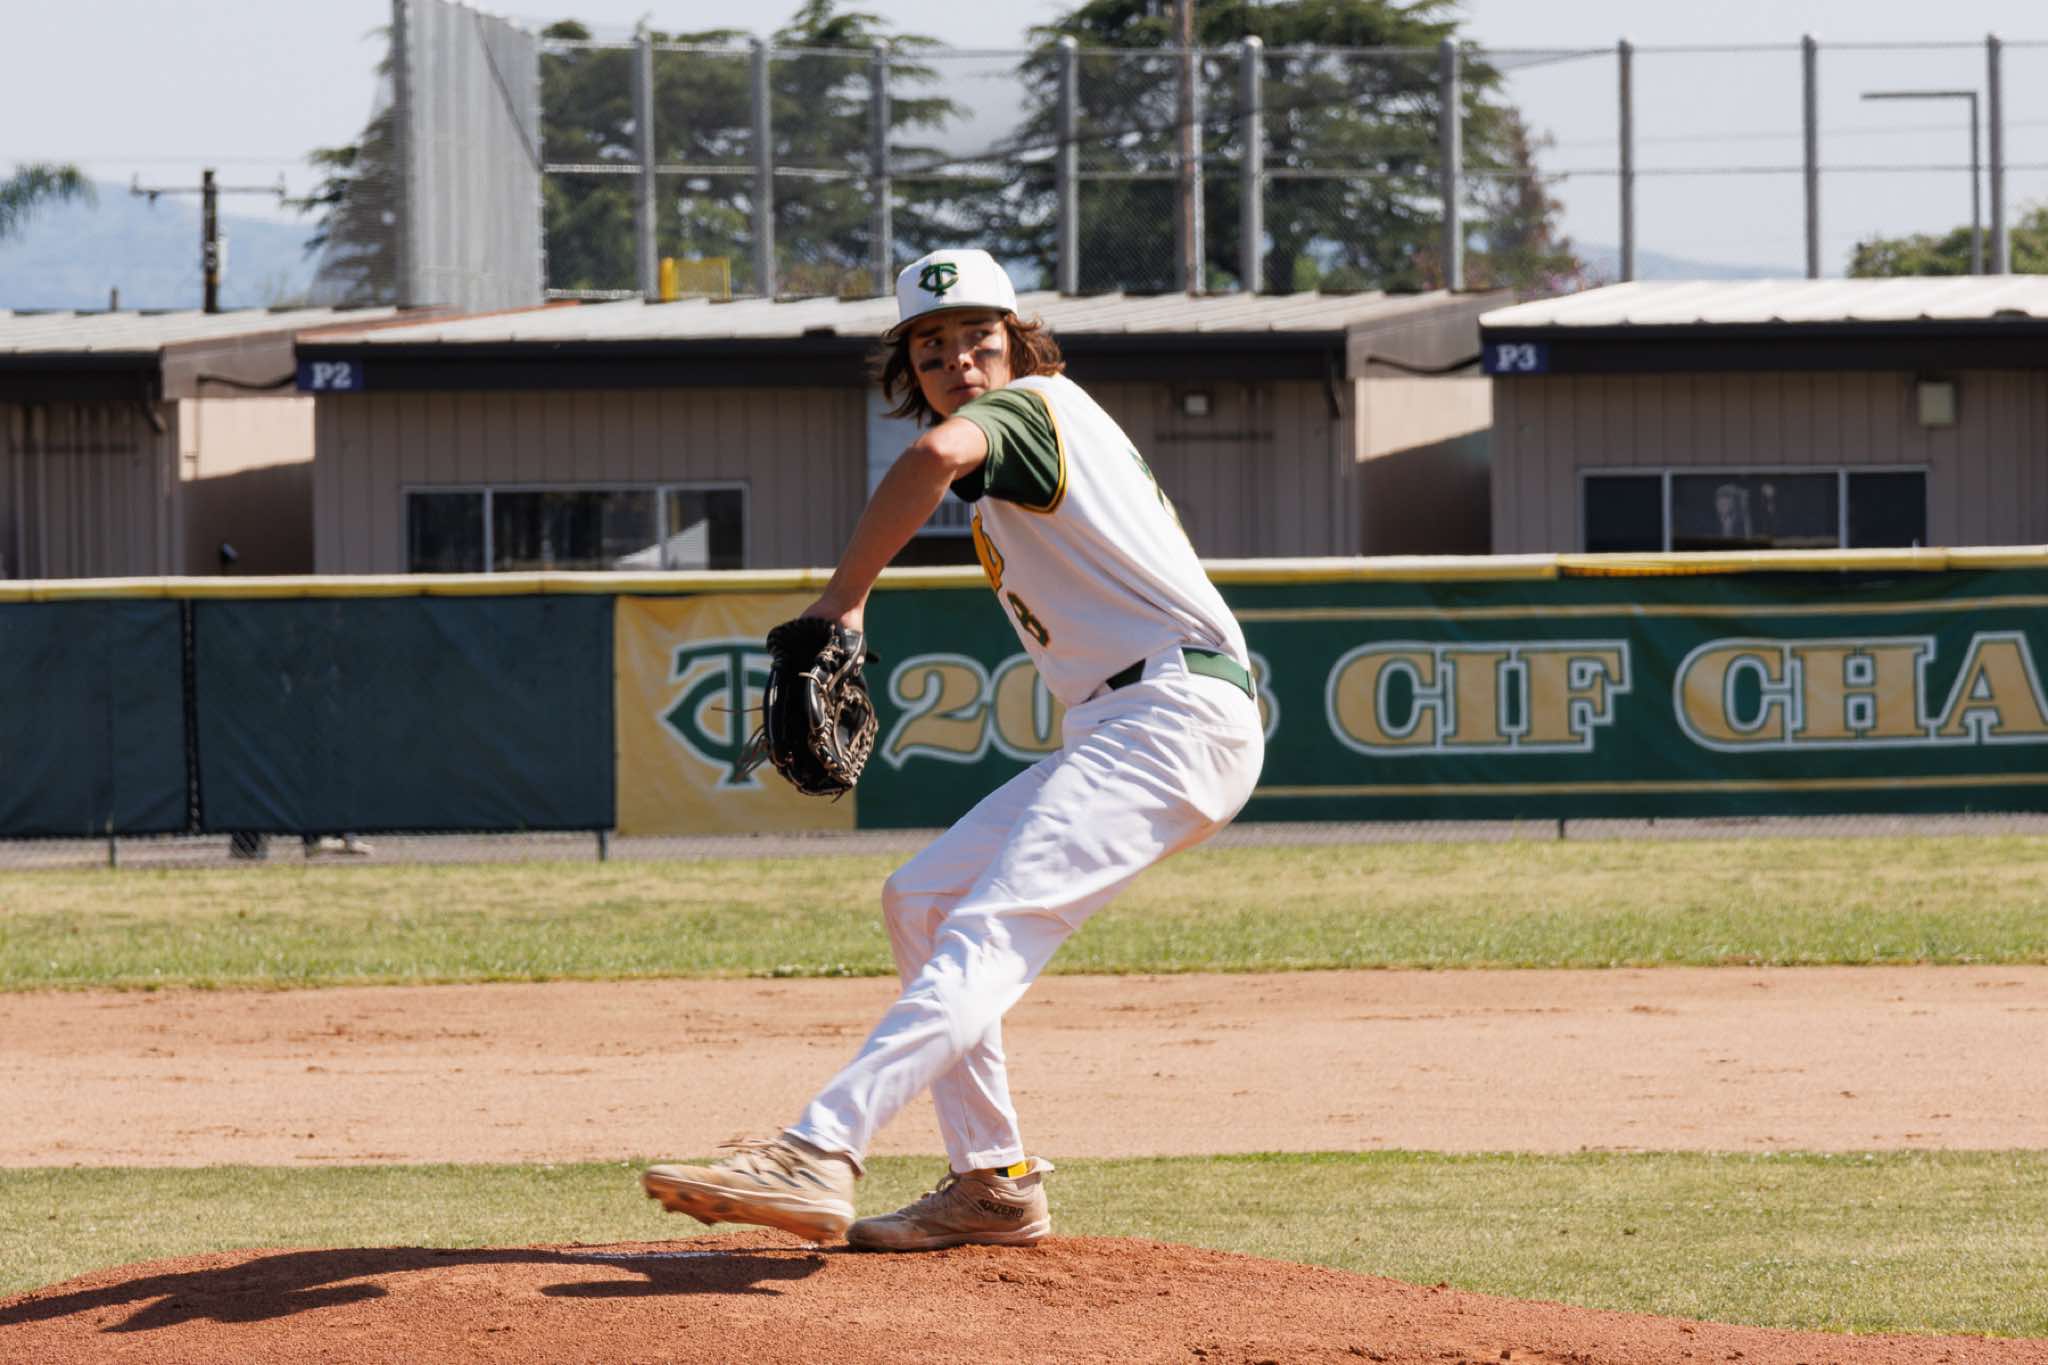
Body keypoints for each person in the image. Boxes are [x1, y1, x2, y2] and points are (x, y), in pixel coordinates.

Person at [641, 248, 1265, 1251]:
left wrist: (840, 602)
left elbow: (933, 456)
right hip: (1135, 718)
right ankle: (992, 1182)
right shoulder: (1032, 444)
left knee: (988, 930)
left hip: (1170, 714)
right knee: (923, 899)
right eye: (930, 350)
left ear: (1019, 343)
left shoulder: (1032, 408)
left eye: (979, 338)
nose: (957, 362)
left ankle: (818, 1149)